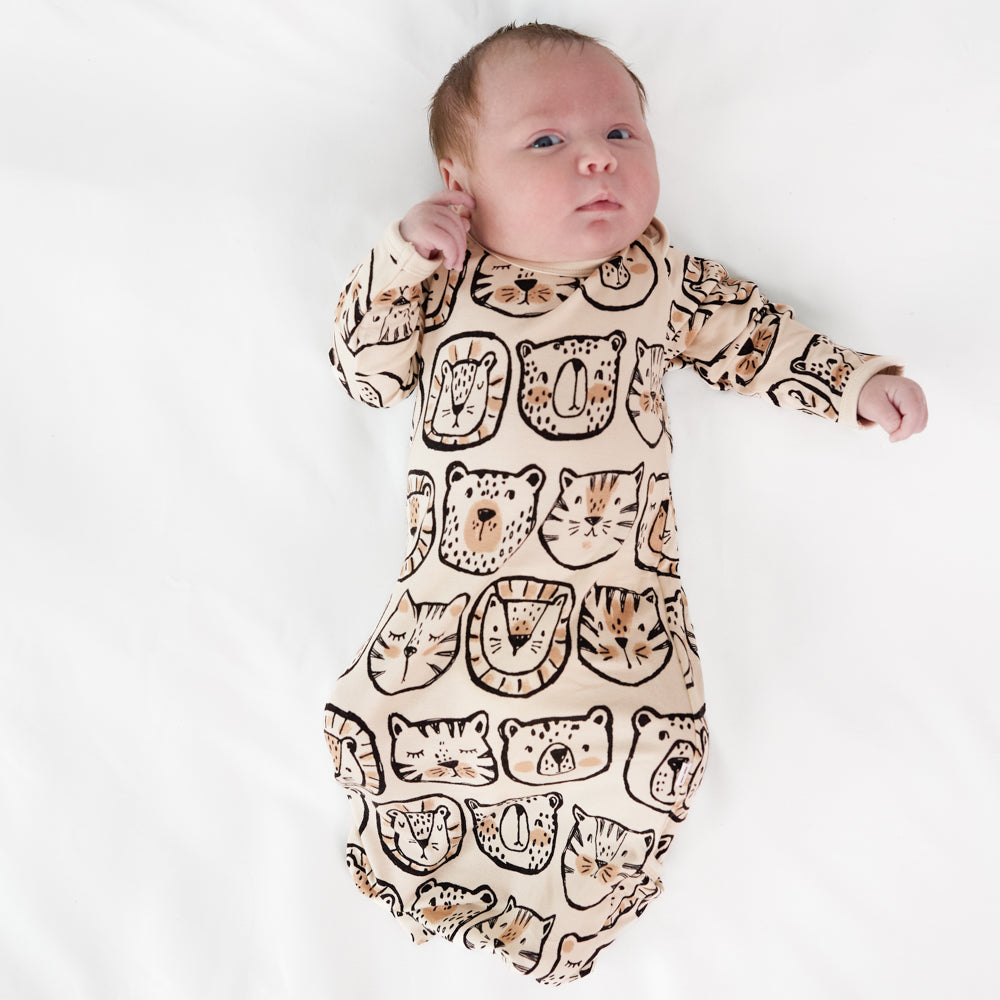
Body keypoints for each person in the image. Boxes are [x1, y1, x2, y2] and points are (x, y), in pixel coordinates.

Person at [322, 22, 927, 986]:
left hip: (619, 616)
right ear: (458, 178)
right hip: (452, 605)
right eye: (547, 142)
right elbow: (364, 370)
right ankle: (421, 874)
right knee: (400, 728)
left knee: (651, 752)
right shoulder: (446, 275)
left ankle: (574, 920)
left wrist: (855, 383)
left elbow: (756, 340)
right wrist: (401, 255)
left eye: (622, 134)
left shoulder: (655, 276)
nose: (597, 157)